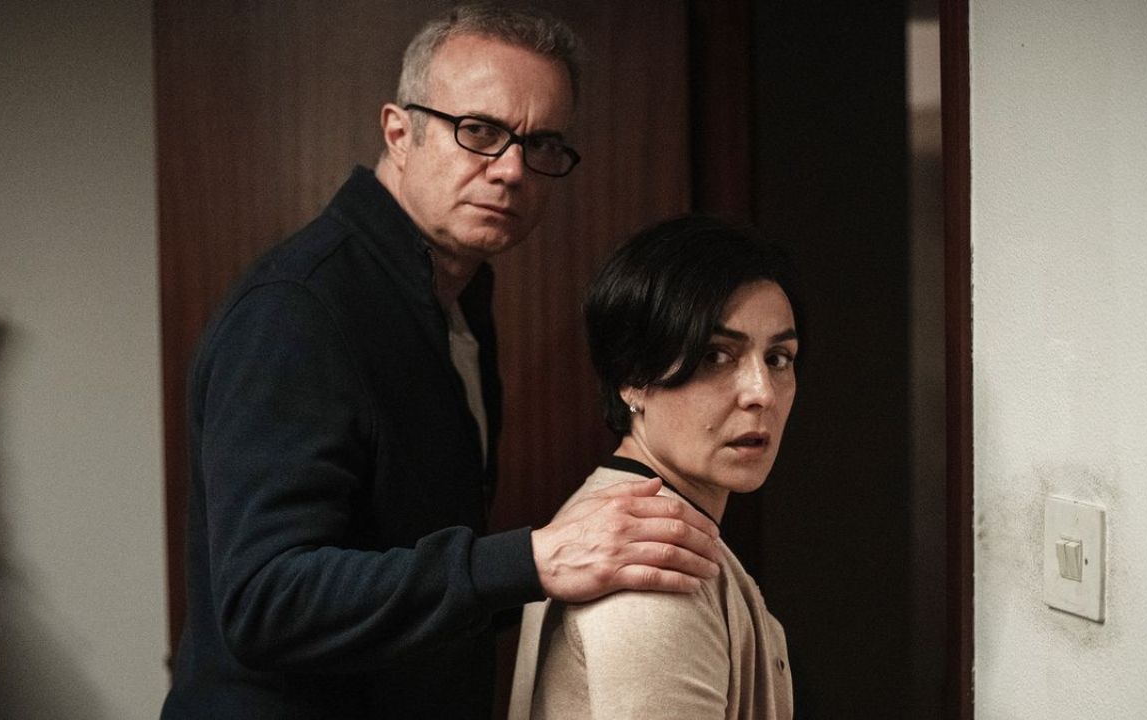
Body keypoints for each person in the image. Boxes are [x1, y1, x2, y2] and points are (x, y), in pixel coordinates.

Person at [160, 5, 724, 719]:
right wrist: (534, 561)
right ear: (400, 133)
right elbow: (265, 603)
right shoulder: (297, 310)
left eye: (541, 144)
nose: (511, 170)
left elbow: (407, 554)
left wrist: (569, 571)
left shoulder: (454, 299)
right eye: (479, 131)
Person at [508, 215, 801, 719]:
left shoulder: (628, 524)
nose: (762, 394)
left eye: (778, 358)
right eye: (715, 356)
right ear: (632, 378)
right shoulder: (651, 562)